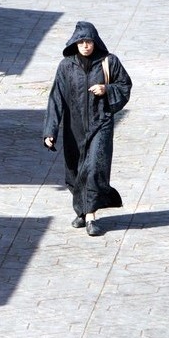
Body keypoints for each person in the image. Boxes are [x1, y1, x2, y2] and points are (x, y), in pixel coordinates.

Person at [43, 21, 132, 236]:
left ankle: (91, 215)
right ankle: (82, 210)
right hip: (74, 129)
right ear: (75, 43)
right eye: (81, 41)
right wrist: (50, 131)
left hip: (101, 123)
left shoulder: (109, 62)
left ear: (95, 42)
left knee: (94, 168)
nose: (85, 45)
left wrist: (106, 89)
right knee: (75, 171)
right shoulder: (66, 66)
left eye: (89, 41)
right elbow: (56, 98)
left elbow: (125, 85)